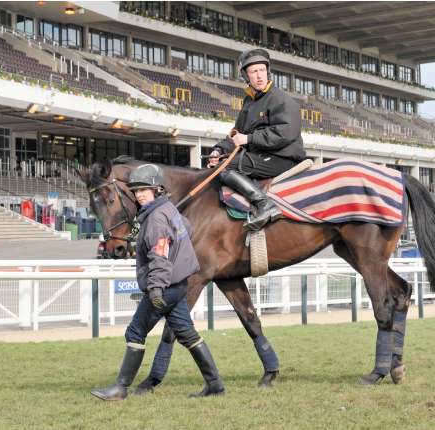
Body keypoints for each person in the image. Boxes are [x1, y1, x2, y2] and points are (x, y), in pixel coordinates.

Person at [91, 164, 224, 400]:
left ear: (157, 190)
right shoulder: (169, 210)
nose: (140, 194)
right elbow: (188, 229)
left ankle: (120, 388)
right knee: (187, 334)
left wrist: (155, 289)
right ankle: (215, 385)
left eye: (145, 190)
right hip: (178, 284)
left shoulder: (156, 220)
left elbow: (160, 257)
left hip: (165, 287)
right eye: (136, 191)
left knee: (135, 331)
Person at [208, 48, 306, 231]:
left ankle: (264, 204)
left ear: (268, 72)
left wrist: (249, 138)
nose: (259, 76)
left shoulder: (282, 99)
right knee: (220, 162)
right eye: (254, 72)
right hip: (262, 156)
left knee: (225, 167)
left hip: (282, 158)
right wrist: (219, 150)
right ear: (246, 76)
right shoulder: (249, 101)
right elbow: (237, 134)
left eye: (262, 70)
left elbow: (286, 133)